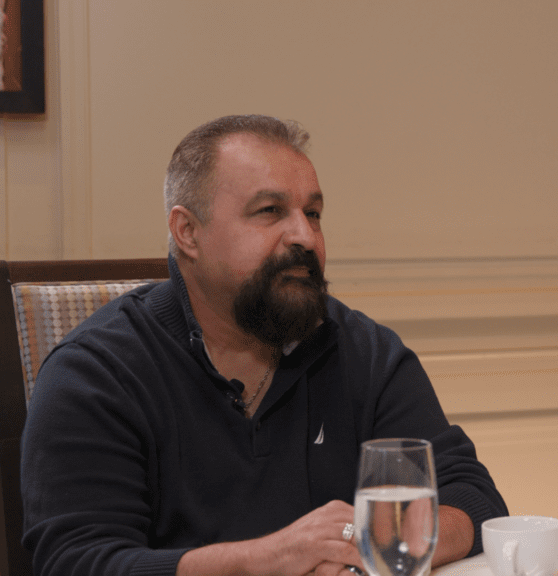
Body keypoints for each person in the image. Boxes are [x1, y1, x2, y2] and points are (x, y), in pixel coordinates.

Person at [20, 115, 508, 576]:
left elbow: (473, 497)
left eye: (313, 213)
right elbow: (77, 561)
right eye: (270, 211)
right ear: (187, 232)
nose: (304, 236)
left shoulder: (363, 351)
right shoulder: (96, 373)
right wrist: (266, 560)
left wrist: (368, 541)